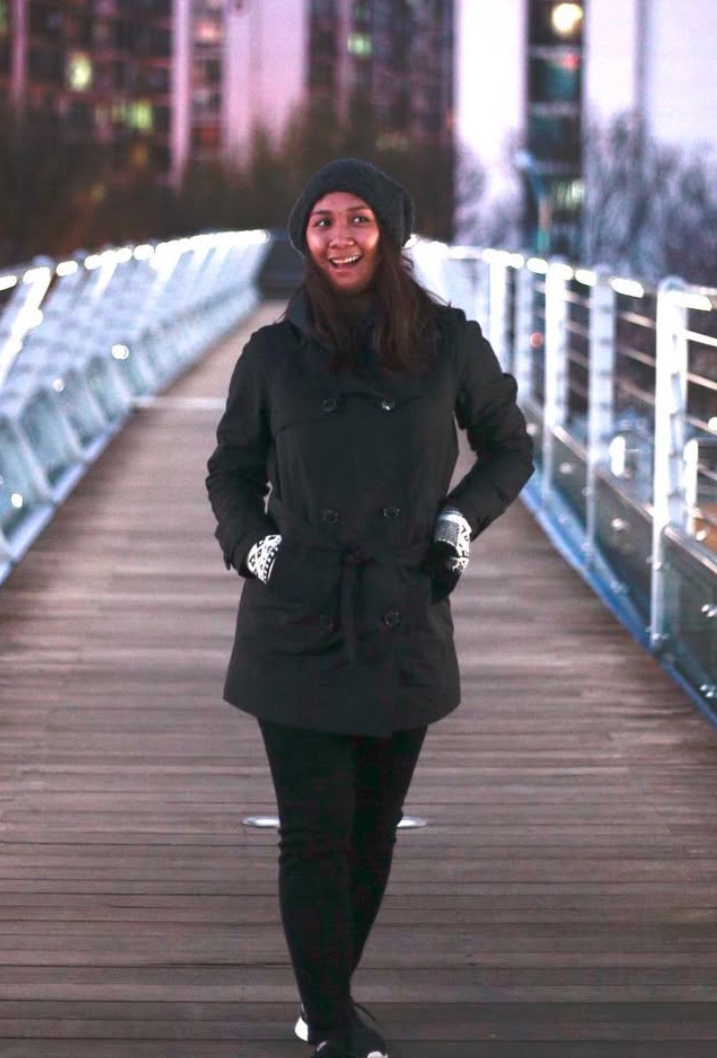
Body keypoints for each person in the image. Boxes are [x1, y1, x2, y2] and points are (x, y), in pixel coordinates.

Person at [205, 158, 534, 1058]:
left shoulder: (451, 343)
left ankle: (326, 1000)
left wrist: (457, 523)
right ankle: (333, 1022)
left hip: (402, 606)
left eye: (357, 220)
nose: (339, 237)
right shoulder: (270, 354)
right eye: (320, 222)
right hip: (298, 613)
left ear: (391, 233)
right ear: (302, 238)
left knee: (371, 831)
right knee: (315, 836)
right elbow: (230, 470)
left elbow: (509, 449)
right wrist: (255, 547)